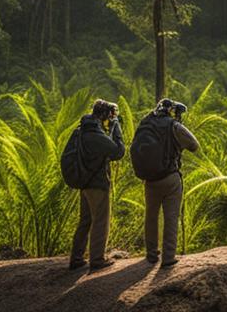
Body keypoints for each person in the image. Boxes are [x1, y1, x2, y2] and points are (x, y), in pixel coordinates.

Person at [138, 98, 199, 266]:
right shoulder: (174, 126)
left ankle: (151, 254)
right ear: (172, 111)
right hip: (170, 178)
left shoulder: (146, 123)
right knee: (171, 217)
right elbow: (194, 145)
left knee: (151, 216)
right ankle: (168, 258)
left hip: (150, 179)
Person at [69, 99, 125, 270]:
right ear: (104, 115)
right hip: (97, 184)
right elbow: (118, 151)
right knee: (100, 220)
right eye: (109, 115)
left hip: (84, 182)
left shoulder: (80, 131)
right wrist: (116, 127)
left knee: (85, 220)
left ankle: (77, 258)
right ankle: (97, 259)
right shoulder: (95, 133)